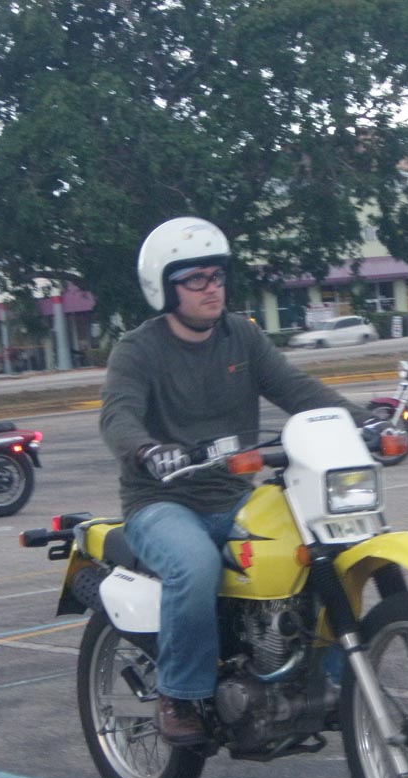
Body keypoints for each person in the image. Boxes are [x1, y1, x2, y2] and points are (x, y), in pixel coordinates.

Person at [99, 216, 375, 747]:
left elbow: (297, 389)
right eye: (195, 279)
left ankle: (330, 679)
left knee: (331, 547)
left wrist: (364, 420)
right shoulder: (139, 349)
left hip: (234, 496)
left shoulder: (241, 337)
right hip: (161, 501)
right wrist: (147, 450)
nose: (211, 288)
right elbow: (118, 414)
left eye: (217, 275)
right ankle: (179, 694)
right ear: (165, 288)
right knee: (195, 564)